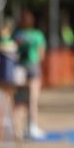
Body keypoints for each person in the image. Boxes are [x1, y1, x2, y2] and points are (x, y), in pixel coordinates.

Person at [14, 9, 47, 139]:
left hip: (20, 68)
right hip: (33, 66)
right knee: (33, 98)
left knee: (20, 100)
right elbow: (41, 54)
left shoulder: (17, 34)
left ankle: (17, 129)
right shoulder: (38, 35)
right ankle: (32, 127)